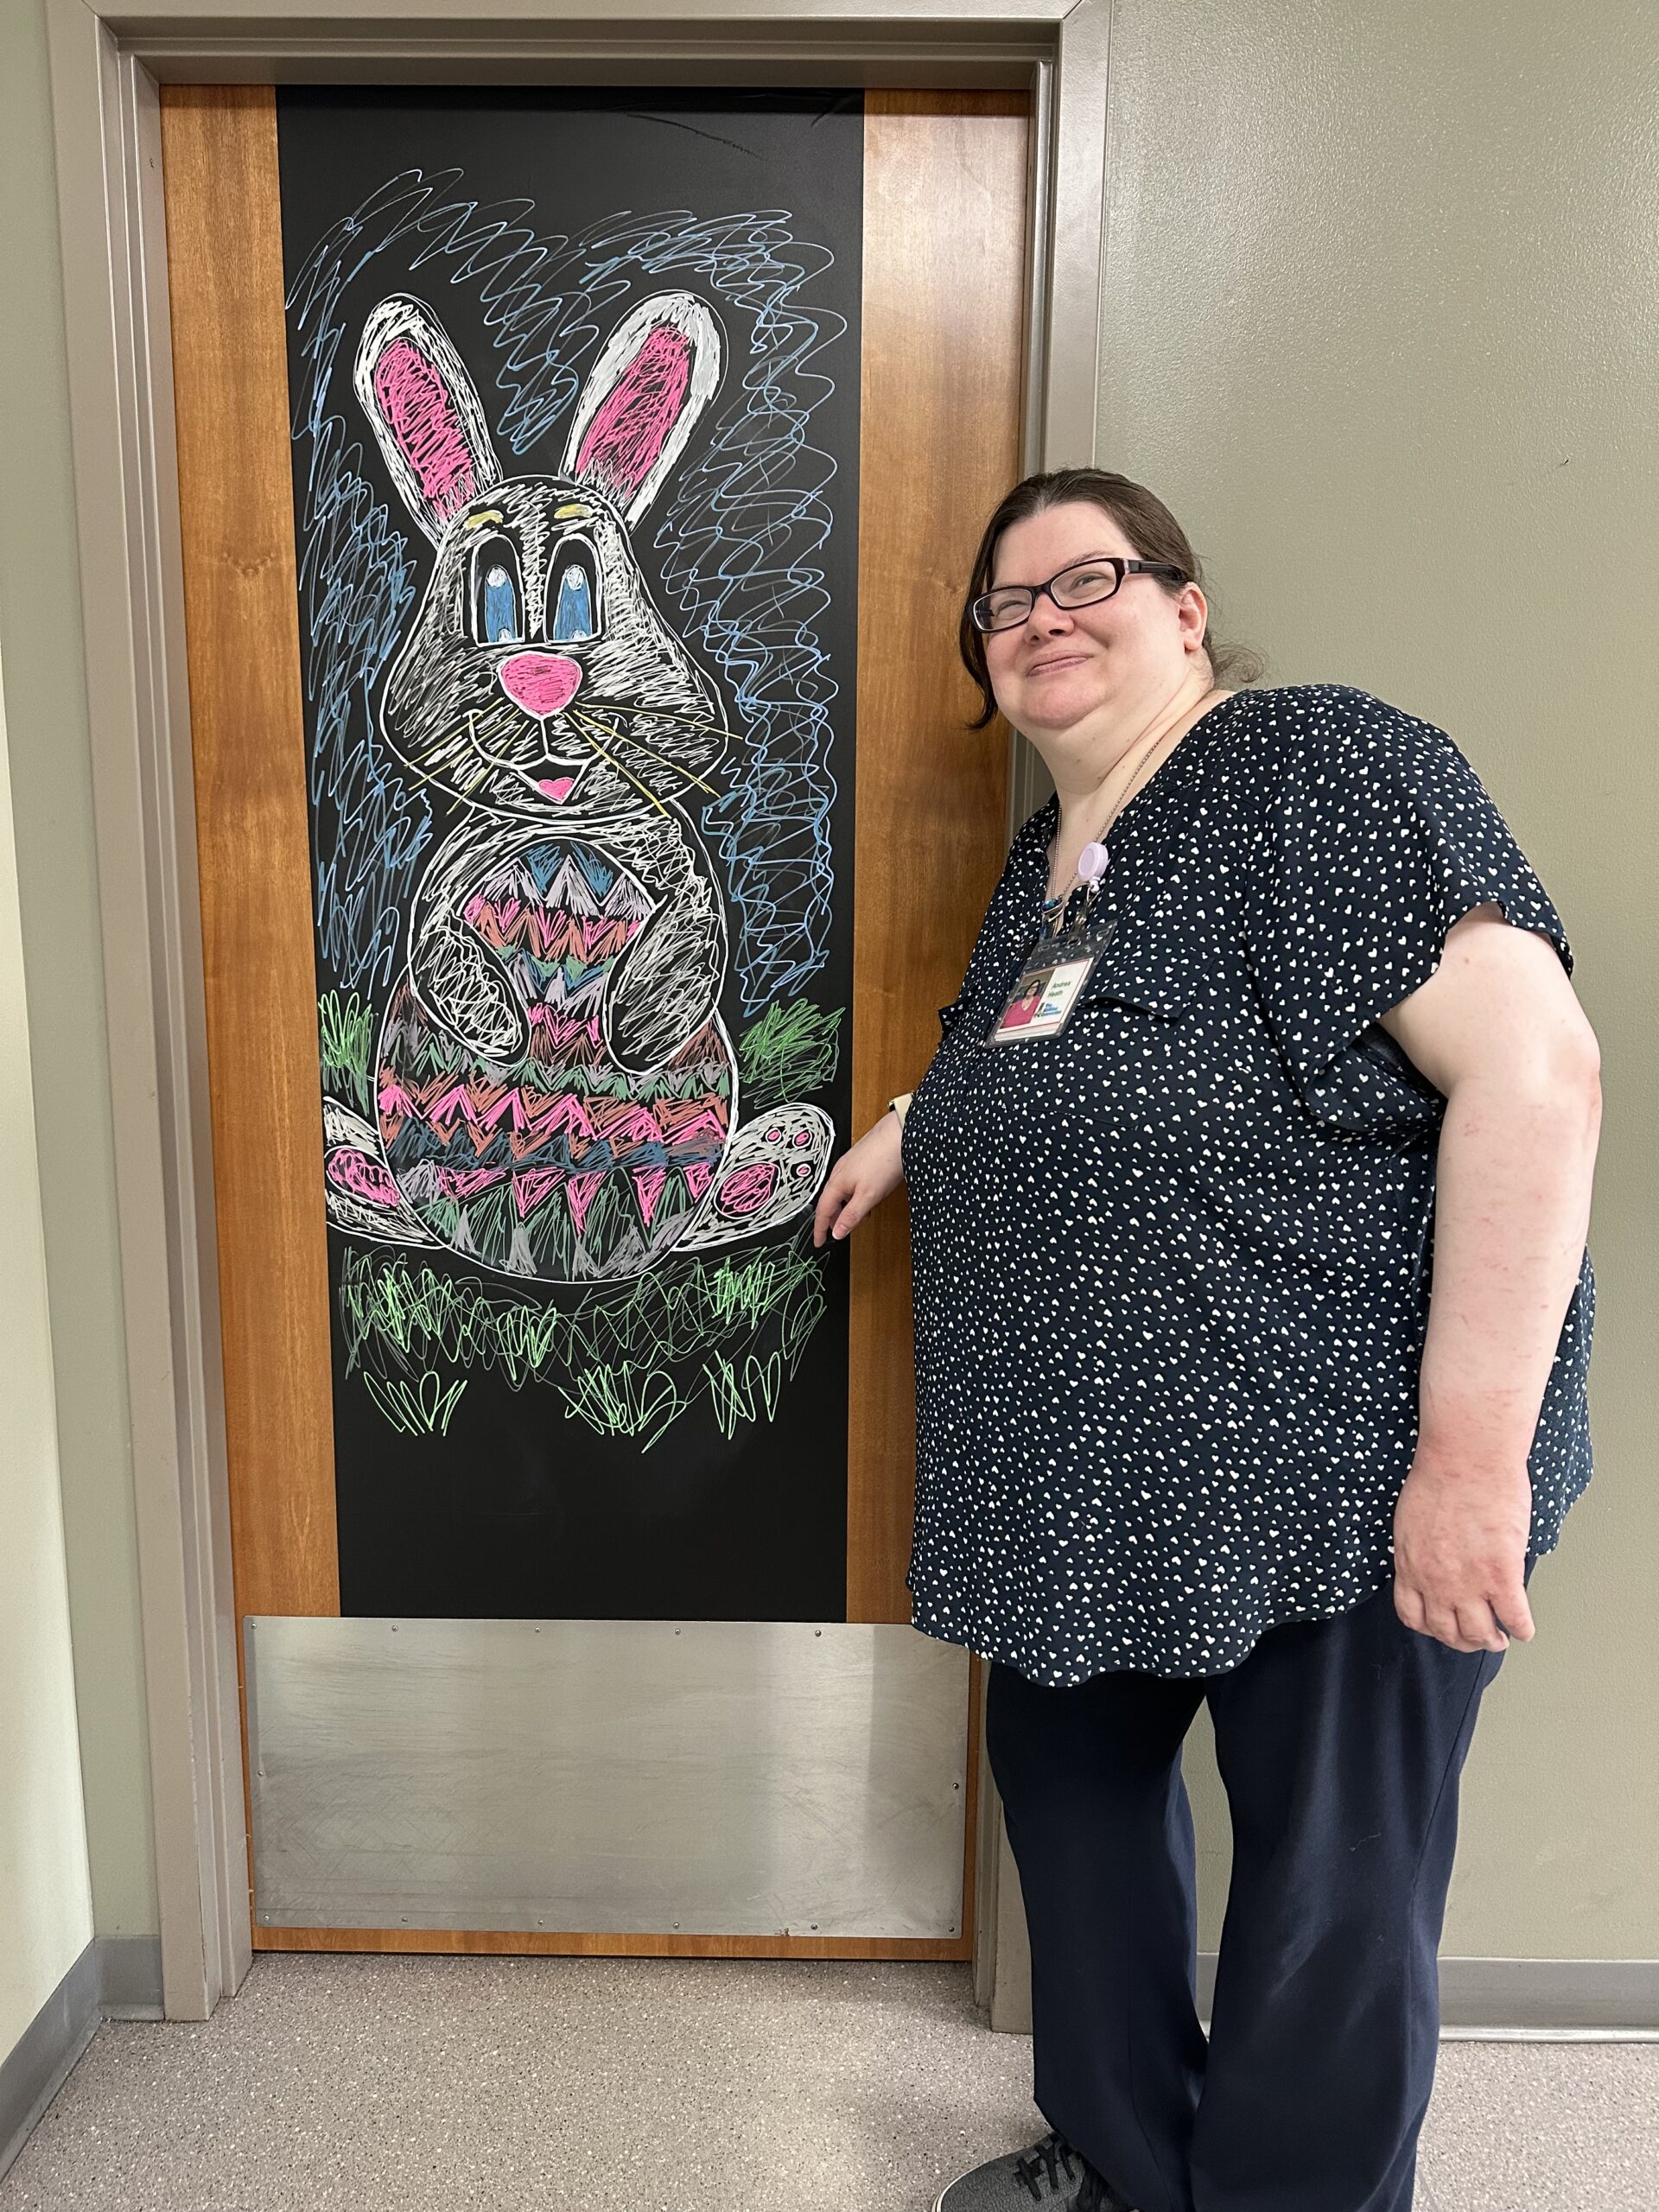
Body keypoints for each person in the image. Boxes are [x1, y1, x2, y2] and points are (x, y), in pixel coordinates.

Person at [811, 468, 1600, 2212]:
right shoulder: (1062, 863)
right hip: (1092, 1480)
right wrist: (907, 1121)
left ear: (1184, 608)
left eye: (1083, 576)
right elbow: (1058, 1067)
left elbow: (1538, 1074)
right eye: (1004, 606)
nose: (1039, 619)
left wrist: (1467, 1462)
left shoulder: (1308, 769)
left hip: (1333, 1460)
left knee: (1330, 1881)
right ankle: (1127, 2158)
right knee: (1067, 1788)